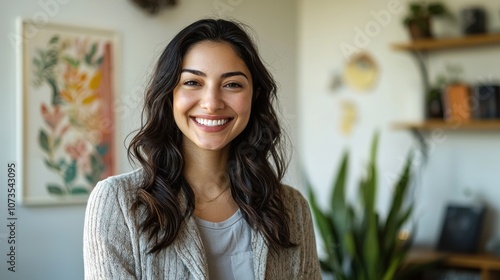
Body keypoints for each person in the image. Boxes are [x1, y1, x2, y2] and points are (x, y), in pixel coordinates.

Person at [83, 18, 321, 280]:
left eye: (232, 84)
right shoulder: (117, 203)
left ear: (254, 96)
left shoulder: (291, 208)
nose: (212, 103)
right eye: (193, 82)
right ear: (169, 94)